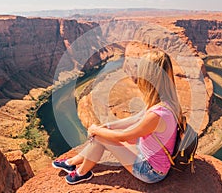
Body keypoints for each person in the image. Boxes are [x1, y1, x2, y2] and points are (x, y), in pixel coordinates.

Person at [52, 50, 184, 184]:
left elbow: (124, 136)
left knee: (101, 138)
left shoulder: (157, 114)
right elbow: (136, 119)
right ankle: (72, 162)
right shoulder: (167, 102)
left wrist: (97, 130)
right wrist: (107, 126)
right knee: (102, 135)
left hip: (151, 171)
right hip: (146, 153)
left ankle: (81, 173)